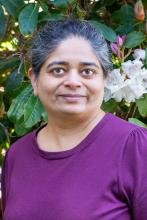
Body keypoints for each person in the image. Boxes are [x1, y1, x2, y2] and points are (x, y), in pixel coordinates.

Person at [1, 19, 147, 220]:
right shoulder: (17, 155)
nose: (72, 82)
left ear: (103, 80)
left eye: (87, 71)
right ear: (34, 80)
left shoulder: (135, 147)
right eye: (58, 70)